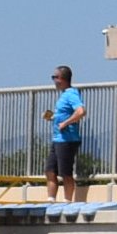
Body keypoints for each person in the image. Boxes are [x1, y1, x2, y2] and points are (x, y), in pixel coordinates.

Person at [44, 66, 86, 203]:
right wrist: (53, 117)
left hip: (67, 139)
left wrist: (65, 123)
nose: (53, 80)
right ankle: (51, 200)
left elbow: (81, 111)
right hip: (57, 139)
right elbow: (65, 114)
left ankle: (67, 200)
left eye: (55, 77)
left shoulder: (71, 94)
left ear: (62, 79)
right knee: (50, 170)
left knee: (65, 172)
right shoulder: (63, 95)